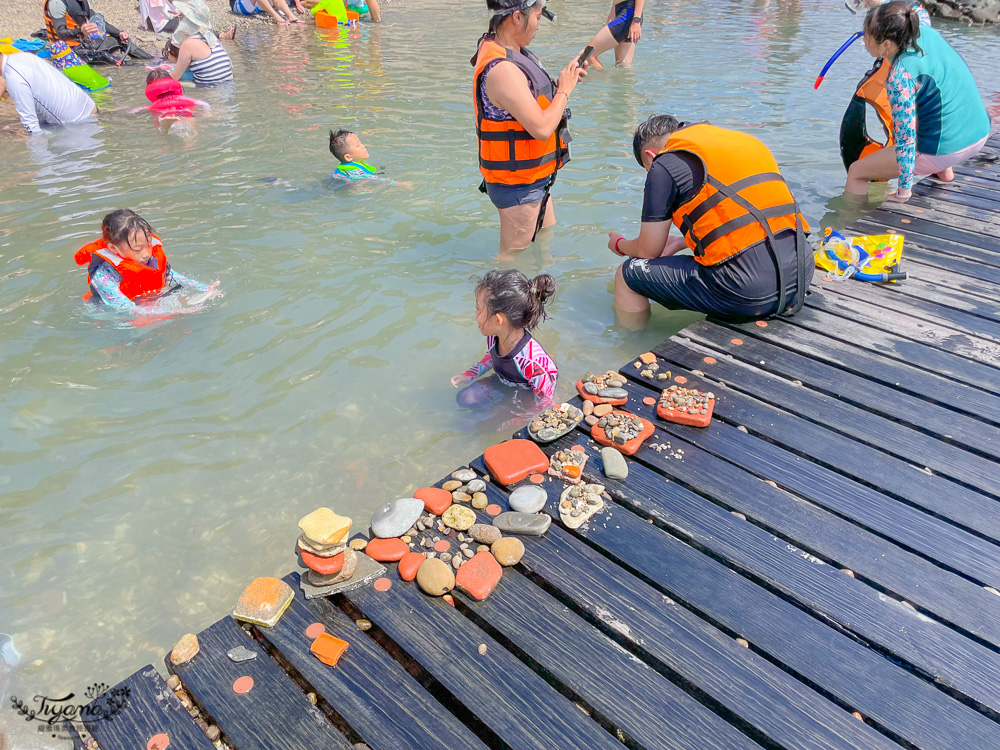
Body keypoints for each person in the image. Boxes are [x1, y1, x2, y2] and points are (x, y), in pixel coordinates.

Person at [609, 115, 812, 328]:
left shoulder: (664, 162)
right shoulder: (744, 141)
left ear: (650, 157)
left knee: (627, 274)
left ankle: (631, 345)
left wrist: (619, 244)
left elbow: (647, 252)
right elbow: (749, 218)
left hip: (748, 292)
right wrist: (682, 242)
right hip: (801, 275)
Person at [845, 1, 991, 202]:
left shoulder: (900, 76)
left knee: (857, 172)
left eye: (867, 36)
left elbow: (906, 141)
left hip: (947, 150)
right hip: (981, 132)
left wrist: (903, 192)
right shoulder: (920, 26)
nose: (864, 41)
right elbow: (914, 7)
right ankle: (945, 173)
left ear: (886, 45)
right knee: (932, 104)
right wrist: (880, 4)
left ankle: (852, 216)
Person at [472, 0, 585, 252]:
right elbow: (542, 128)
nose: (539, 24)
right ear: (516, 18)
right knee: (513, 260)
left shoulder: (511, 51)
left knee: (545, 240)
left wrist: (567, 79)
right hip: (518, 185)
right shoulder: (502, 69)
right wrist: (565, 90)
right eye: (537, 15)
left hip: (534, 177)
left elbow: (531, 102)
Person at [74, 209, 221, 313]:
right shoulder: (104, 276)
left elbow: (169, 275)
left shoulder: (149, 257)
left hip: (145, 302)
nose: (146, 254)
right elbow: (125, 308)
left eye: (149, 245)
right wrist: (177, 310)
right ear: (113, 249)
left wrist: (204, 288)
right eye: (137, 249)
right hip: (111, 312)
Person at [451, 269, 558, 410]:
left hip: (528, 392)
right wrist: (469, 374)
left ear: (498, 320)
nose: (475, 313)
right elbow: (490, 358)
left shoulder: (531, 363)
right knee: (465, 399)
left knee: (498, 421)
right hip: (504, 380)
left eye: (478, 308)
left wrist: (520, 420)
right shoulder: (493, 337)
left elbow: (544, 400)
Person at [0, 49, 97, 135]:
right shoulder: (22, 56)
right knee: (9, 128)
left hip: (76, 127)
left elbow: (32, 127)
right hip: (90, 108)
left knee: (18, 135)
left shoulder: (14, 78)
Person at [43, 0, 129, 49]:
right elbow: (61, 33)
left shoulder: (82, 2)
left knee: (118, 41)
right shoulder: (56, 3)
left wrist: (119, 33)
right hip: (62, 48)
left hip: (80, 44)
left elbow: (99, 23)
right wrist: (81, 31)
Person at [585, 0, 644, 69]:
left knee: (588, 55)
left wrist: (636, 21)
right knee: (623, 65)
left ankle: (604, 78)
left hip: (628, 14)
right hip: (624, 13)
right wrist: (610, 21)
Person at [136, 68, 208, 118]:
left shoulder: (154, 106)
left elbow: (136, 110)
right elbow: (204, 104)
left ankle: (167, 123)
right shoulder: (183, 99)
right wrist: (207, 113)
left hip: (163, 115)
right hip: (186, 113)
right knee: (190, 128)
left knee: (161, 121)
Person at [164, 36, 234, 86]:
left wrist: (157, 75)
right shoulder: (212, 39)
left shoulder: (187, 44)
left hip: (207, 90)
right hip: (229, 87)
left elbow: (174, 77)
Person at [231, 0, 305, 24]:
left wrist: (297, 3)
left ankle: (290, 16)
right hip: (240, 5)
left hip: (260, 6)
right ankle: (277, 17)